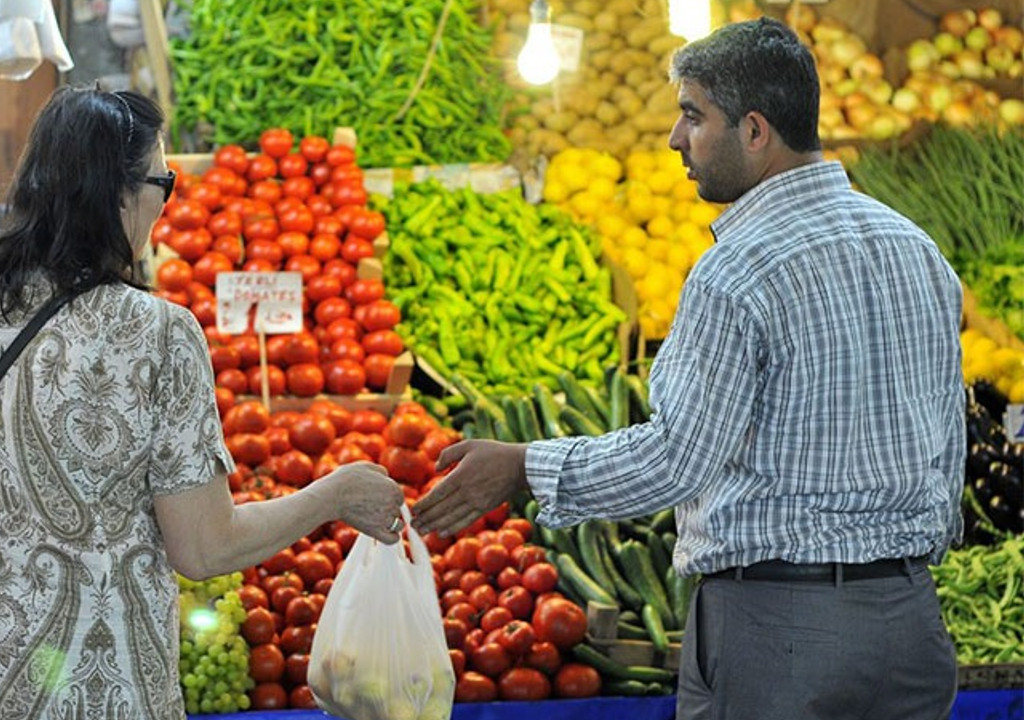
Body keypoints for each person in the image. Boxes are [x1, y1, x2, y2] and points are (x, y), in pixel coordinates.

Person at [413, 17, 963, 720]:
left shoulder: (736, 272)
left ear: (755, 131)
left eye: (693, 117)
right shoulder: (916, 248)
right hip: (910, 625)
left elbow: (678, 457)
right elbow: (951, 445)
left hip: (780, 632)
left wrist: (524, 466)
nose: (676, 139)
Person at [0, 86, 406, 720]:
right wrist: (333, 495)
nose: (164, 204)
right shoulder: (160, 336)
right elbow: (203, 548)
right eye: (161, 183)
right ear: (117, 194)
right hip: (91, 687)